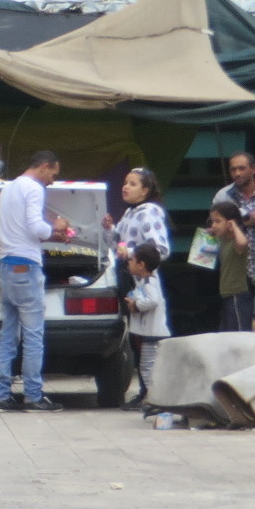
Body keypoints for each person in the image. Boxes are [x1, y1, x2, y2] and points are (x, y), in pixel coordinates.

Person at [0, 149, 72, 414]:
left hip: (5, 266)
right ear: (45, 167)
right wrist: (58, 226)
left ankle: (0, 396)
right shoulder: (35, 189)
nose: (53, 180)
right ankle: (33, 396)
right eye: (53, 174)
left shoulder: (9, 188)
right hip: (26, 267)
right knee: (33, 335)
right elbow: (37, 229)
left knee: (7, 335)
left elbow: (24, 229)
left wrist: (50, 235)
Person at [213, 151, 255, 324]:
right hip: (238, 268)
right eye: (233, 169)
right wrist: (245, 224)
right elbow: (215, 229)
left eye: (241, 168)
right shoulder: (223, 196)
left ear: (253, 169)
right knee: (239, 321)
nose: (237, 173)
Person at [123, 243, 170, 409]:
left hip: (153, 334)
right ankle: (154, 399)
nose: (129, 262)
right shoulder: (144, 282)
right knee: (148, 366)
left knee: (148, 367)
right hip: (148, 332)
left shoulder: (149, 283)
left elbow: (153, 300)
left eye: (132, 259)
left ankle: (155, 400)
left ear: (141, 264)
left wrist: (136, 305)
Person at [103, 167, 171, 263]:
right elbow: (115, 245)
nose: (126, 187)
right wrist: (109, 228)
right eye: (125, 183)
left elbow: (162, 250)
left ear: (144, 191)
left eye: (132, 184)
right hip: (123, 273)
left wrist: (131, 253)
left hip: (140, 276)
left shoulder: (149, 213)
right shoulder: (129, 212)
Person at [209, 201, 255, 333]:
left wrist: (235, 227)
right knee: (227, 334)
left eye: (218, 221)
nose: (214, 225)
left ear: (229, 222)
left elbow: (243, 242)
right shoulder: (223, 240)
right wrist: (211, 233)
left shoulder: (236, 241)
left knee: (240, 335)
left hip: (238, 294)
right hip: (226, 294)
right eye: (213, 221)